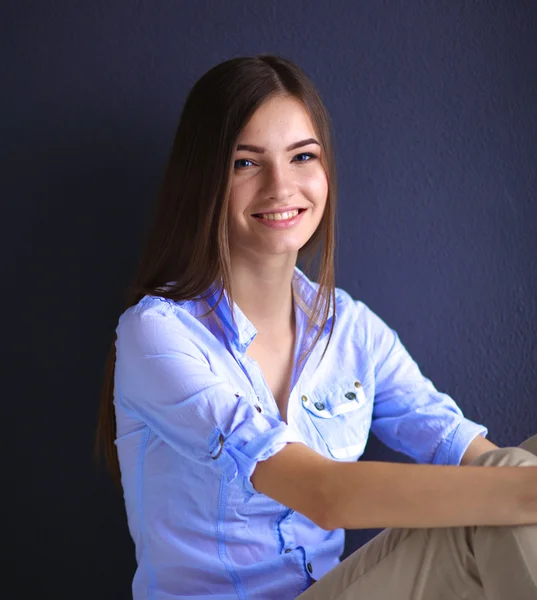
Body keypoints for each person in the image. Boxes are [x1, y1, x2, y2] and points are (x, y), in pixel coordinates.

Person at [95, 54, 537, 600]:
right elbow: (322, 493)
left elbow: (462, 447)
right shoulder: (158, 335)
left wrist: (517, 487)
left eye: (302, 156)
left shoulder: (350, 329)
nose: (282, 186)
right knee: (513, 487)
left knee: (516, 465)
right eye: (245, 163)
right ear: (203, 179)